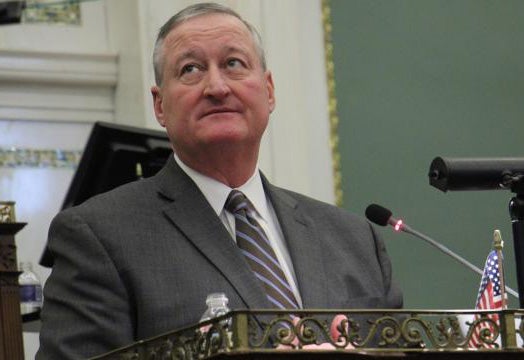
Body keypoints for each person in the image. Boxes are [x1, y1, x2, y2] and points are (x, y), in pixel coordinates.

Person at [36, 2, 402, 359]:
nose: (217, 86)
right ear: (160, 105)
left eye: (233, 64)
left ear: (269, 90)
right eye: (191, 69)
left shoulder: (355, 240)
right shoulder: (98, 236)